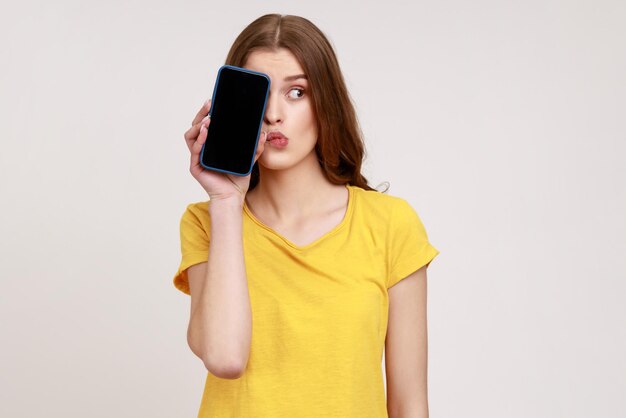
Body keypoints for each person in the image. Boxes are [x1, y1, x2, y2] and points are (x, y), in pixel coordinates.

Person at [174, 13, 440, 418]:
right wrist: (227, 202)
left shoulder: (389, 225)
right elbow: (226, 358)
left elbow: (409, 405)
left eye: (297, 92)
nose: (274, 114)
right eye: (260, 94)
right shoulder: (207, 222)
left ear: (325, 103)